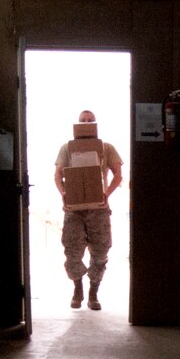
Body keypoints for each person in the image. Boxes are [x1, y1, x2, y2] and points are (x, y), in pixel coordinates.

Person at [54, 109, 124, 311]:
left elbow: (118, 174)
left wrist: (106, 195)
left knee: (101, 251)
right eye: (83, 120)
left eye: (90, 120)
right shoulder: (67, 148)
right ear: (77, 124)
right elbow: (57, 175)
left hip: (99, 208)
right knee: (72, 251)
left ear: (95, 124)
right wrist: (64, 194)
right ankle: (78, 288)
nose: (86, 123)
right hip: (74, 209)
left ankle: (94, 292)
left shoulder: (106, 148)